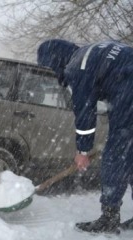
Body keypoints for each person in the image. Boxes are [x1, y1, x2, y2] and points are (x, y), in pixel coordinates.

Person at [37, 39, 133, 234]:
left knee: (117, 155)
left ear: (54, 59)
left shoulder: (78, 66)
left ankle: (109, 217)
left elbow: (84, 111)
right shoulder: (91, 51)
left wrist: (83, 150)